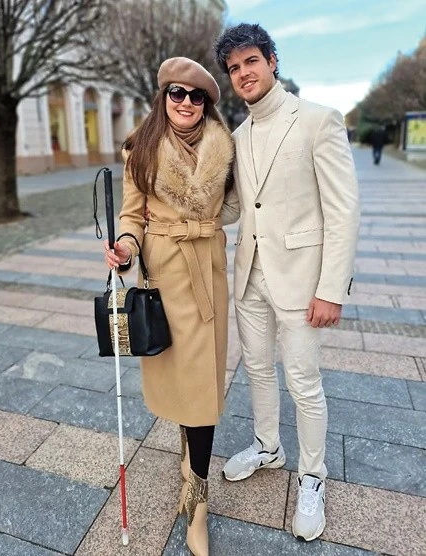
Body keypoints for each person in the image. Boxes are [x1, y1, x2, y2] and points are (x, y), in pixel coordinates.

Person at [213, 24, 360, 541]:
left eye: (250, 62)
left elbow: (343, 209)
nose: (243, 74)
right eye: (233, 69)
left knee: (304, 382)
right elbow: (235, 207)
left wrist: (331, 288)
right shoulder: (235, 136)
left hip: (301, 280)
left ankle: (313, 477)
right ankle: (269, 446)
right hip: (249, 275)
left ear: (272, 61)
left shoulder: (317, 120)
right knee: (256, 369)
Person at [104, 57, 236, 556]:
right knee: (185, 379)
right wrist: (125, 249)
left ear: (206, 104)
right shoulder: (141, 150)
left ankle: (197, 501)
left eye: (196, 96)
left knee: (204, 385)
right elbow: (131, 216)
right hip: (164, 274)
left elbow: (243, 203)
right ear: (163, 98)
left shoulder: (225, 149)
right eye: (176, 93)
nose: (185, 102)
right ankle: (187, 460)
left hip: (209, 269)